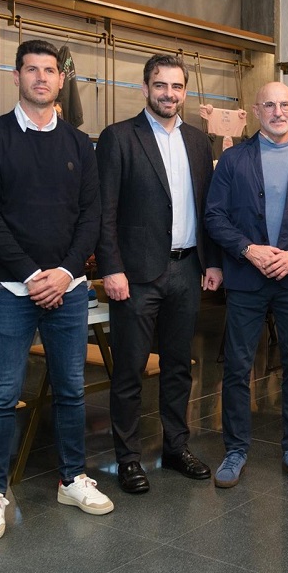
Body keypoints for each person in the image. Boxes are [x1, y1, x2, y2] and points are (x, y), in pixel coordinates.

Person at [0, 39, 109, 542]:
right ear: (17, 76)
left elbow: (90, 216)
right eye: (32, 70)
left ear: (61, 81)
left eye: (50, 71)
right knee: (3, 393)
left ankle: (73, 479)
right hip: (10, 288)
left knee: (71, 389)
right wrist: (32, 276)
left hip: (68, 289)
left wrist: (65, 274)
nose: (42, 78)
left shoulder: (78, 144)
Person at [96, 53, 223, 495]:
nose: (169, 94)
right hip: (136, 276)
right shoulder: (118, 138)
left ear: (185, 91)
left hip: (187, 270)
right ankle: (128, 457)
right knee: (130, 370)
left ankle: (175, 447)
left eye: (177, 86)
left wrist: (212, 262)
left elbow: (208, 209)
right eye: (161, 85)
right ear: (145, 88)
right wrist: (111, 268)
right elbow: (104, 212)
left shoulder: (197, 141)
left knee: (177, 368)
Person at [204, 81, 288, 489]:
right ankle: (235, 450)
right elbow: (214, 217)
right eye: (269, 105)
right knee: (237, 365)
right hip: (247, 278)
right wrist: (248, 250)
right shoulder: (233, 160)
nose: (278, 111)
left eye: (284, 105)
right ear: (256, 110)